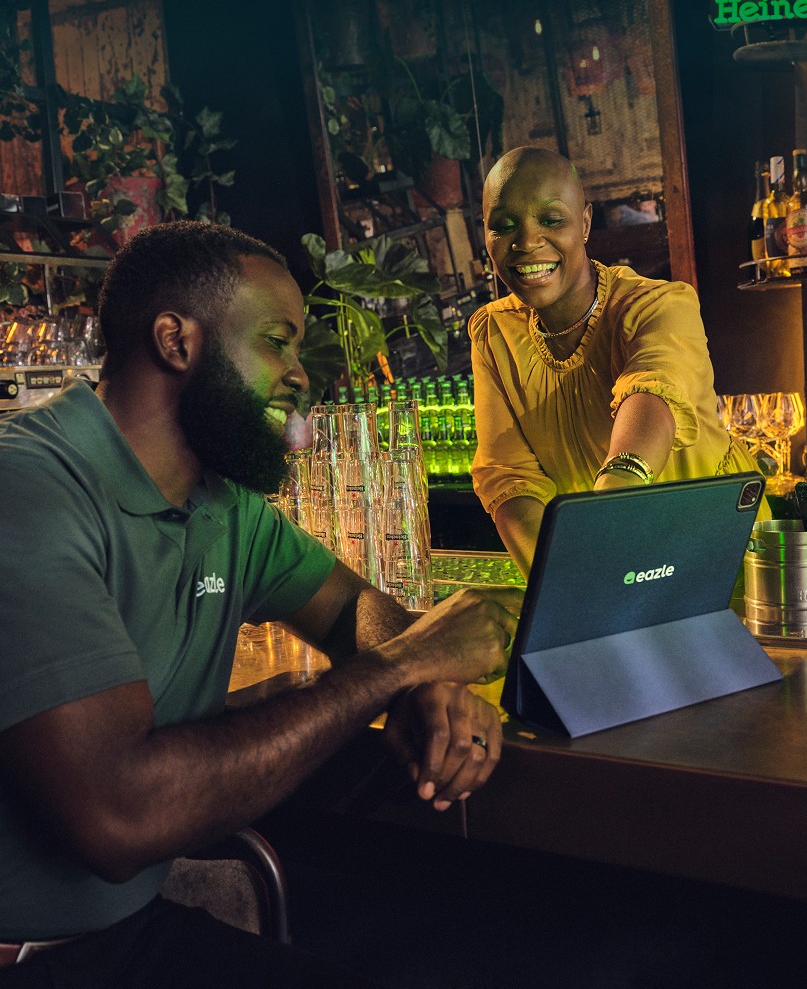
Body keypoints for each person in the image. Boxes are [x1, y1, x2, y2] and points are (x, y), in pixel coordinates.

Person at [0, 221, 522, 988]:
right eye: (278, 342)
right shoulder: (29, 491)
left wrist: (428, 683)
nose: (301, 375)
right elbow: (119, 818)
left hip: (121, 934)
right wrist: (405, 664)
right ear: (176, 341)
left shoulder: (225, 506)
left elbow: (351, 610)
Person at [469, 146, 762, 577]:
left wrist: (610, 505)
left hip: (720, 551)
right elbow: (510, 477)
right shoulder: (493, 333)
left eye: (551, 220)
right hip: (612, 567)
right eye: (504, 225)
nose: (527, 242)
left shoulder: (660, 304)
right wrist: (561, 583)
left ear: (584, 223)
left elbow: (652, 394)